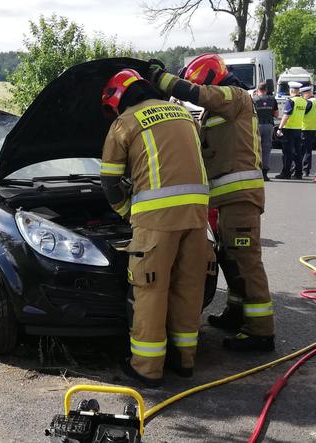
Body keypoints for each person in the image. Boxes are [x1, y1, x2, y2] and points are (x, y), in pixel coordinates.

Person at [148, 54, 276, 352]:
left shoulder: (235, 96)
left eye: (197, 81)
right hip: (224, 200)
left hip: (240, 198)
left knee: (246, 262)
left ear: (208, 76)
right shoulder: (216, 110)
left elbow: (196, 93)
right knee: (230, 258)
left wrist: (158, 78)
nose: (195, 87)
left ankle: (260, 331)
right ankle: (236, 313)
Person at [99, 68, 214, 387]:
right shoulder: (182, 114)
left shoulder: (125, 122)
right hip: (196, 217)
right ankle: (185, 360)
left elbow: (109, 181)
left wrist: (126, 212)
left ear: (118, 98)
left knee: (150, 290)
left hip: (155, 221)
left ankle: (147, 369)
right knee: (187, 287)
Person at [275, 82, 308, 180]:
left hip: (288, 129)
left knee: (287, 153)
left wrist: (280, 128)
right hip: (298, 129)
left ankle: (286, 173)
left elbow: (287, 115)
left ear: (291, 90)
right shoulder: (304, 101)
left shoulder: (290, 101)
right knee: (297, 152)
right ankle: (298, 173)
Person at [253, 82, 279, 181]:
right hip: (268, 126)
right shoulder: (272, 100)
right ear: (266, 90)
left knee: (255, 149)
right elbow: (276, 114)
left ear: (257, 90)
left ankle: (256, 171)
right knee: (266, 149)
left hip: (256, 126)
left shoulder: (253, 100)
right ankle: (264, 174)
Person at [300, 85, 316, 176]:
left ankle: (302, 169)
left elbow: (301, 114)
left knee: (302, 150)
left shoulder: (308, 103)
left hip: (305, 128)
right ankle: (306, 170)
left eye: (303, 94)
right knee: (308, 150)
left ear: (307, 93)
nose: (302, 96)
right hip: (312, 128)